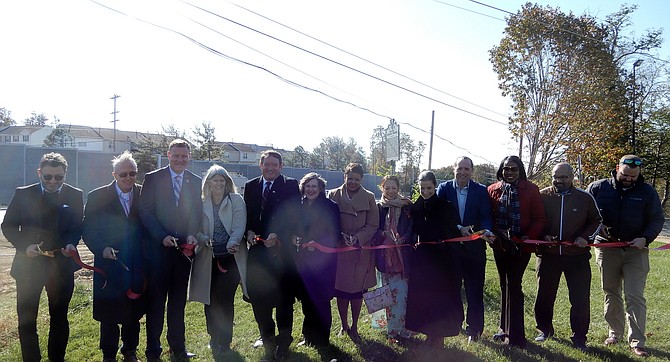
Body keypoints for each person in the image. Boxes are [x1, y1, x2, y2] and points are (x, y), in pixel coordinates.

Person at [1, 152, 84, 362]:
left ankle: (57, 359)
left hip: (61, 266)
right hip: (28, 265)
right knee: (26, 320)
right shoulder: (23, 193)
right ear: (39, 172)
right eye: (47, 177)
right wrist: (23, 246)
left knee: (59, 318)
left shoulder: (75, 195)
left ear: (65, 174)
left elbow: (77, 227)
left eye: (58, 177)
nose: (52, 182)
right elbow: (8, 225)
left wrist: (71, 243)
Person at [586, 155, 664, 358]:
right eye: (625, 175)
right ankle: (615, 333)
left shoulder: (647, 192)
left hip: (636, 250)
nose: (629, 179)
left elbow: (656, 219)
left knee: (634, 295)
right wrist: (597, 228)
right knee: (610, 292)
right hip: (606, 249)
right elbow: (586, 214)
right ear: (617, 168)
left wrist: (645, 239)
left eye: (634, 176)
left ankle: (637, 341)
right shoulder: (598, 188)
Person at [138, 139, 203, 361]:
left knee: (177, 303)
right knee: (156, 303)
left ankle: (178, 347)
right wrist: (161, 236)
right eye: (176, 155)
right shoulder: (153, 178)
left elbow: (196, 213)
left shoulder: (195, 182)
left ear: (189, 156)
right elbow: (145, 212)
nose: (180, 159)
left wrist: (193, 233)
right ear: (168, 154)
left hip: (183, 254)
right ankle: (153, 350)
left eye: (184, 156)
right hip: (158, 253)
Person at [82, 151, 146, 362]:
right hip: (108, 264)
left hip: (135, 263)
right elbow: (89, 229)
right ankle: (108, 353)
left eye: (132, 173)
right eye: (123, 174)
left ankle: (129, 350)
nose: (128, 178)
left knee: (133, 309)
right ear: (114, 174)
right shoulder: (97, 196)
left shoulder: (144, 194)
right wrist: (102, 249)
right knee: (108, 311)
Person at [534, 162, 602, 351]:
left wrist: (585, 237)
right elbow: (535, 221)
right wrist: (543, 236)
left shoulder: (584, 198)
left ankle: (579, 337)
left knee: (580, 298)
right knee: (544, 295)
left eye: (564, 177)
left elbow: (596, 220)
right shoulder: (542, 196)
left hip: (577, 257)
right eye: (556, 177)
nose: (559, 181)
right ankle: (544, 330)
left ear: (572, 177)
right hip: (548, 255)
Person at [244, 150, 300, 361]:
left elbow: (294, 215)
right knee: (260, 298)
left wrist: (279, 235)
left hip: (281, 252)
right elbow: (247, 214)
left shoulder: (290, 185)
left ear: (281, 166)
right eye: (266, 164)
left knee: (284, 299)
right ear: (260, 165)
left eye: (274, 165)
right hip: (258, 253)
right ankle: (267, 337)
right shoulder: (250, 186)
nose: (270, 168)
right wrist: (248, 231)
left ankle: (283, 342)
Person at [188, 165, 248, 360]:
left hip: (230, 257)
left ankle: (225, 340)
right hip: (208, 258)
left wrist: (232, 243)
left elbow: (239, 226)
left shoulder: (236, 200)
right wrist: (204, 239)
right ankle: (213, 337)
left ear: (227, 182)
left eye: (222, 180)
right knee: (210, 300)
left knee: (225, 300)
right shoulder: (202, 203)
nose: (219, 184)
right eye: (215, 180)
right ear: (209, 183)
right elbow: (195, 227)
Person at [487, 155, 545, 349]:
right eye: (506, 169)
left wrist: (529, 235)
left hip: (521, 246)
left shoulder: (531, 189)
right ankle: (504, 328)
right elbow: (490, 218)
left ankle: (516, 336)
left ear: (520, 170)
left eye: (514, 169)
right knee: (504, 285)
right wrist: (497, 232)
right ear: (501, 171)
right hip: (500, 246)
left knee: (514, 286)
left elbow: (539, 218)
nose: (509, 172)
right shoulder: (493, 190)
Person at [436, 156, 493, 343]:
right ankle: (455, 323)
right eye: (459, 168)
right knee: (452, 289)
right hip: (451, 250)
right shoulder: (444, 189)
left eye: (466, 169)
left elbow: (485, 216)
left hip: (474, 250)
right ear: (453, 169)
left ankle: (474, 330)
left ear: (472, 171)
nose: (462, 172)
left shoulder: (481, 191)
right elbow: (440, 215)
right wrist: (458, 228)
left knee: (474, 291)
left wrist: (486, 231)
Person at [405, 170, 463, 349]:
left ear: (435, 186)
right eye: (422, 188)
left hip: (442, 260)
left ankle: (439, 336)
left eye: (429, 188)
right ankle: (428, 332)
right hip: (423, 260)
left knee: (440, 299)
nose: (426, 192)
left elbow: (453, 230)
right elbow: (413, 230)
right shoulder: (416, 207)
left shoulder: (446, 206)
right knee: (425, 298)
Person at [327, 162, 379, 343]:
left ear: (361, 180)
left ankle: (355, 326)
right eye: (350, 178)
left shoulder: (370, 197)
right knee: (341, 291)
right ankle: (343, 325)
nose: (353, 182)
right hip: (339, 250)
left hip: (360, 251)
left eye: (356, 179)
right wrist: (338, 235)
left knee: (357, 292)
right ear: (344, 177)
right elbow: (326, 219)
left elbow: (373, 224)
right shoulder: (332, 195)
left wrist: (358, 238)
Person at [290, 172, 340, 348]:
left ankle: (323, 339)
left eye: (314, 186)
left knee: (321, 299)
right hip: (303, 260)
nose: (311, 189)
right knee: (306, 298)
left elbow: (335, 233)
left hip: (323, 262)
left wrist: (318, 244)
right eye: (308, 186)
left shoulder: (330, 206)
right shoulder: (300, 206)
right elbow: (294, 228)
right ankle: (308, 336)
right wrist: (294, 237)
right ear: (303, 188)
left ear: (321, 188)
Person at [374, 175, 413, 343]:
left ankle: (403, 329)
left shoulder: (406, 206)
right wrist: (384, 234)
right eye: (387, 188)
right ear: (382, 188)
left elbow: (412, 228)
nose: (390, 191)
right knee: (387, 295)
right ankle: (391, 331)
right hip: (385, 258)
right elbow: (373, 229)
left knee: (403, 295)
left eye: (394, 188)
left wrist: (403, 238)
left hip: (402, 257)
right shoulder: (378, 207)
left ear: (398, 188)